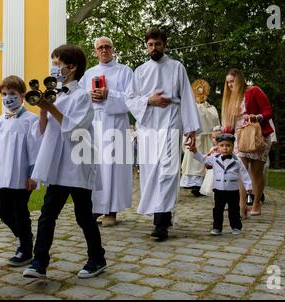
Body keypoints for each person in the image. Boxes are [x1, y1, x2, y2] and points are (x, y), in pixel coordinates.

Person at [23, 44, 107, 279]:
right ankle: (39, 262)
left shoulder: (82, 96)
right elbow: (41, 132)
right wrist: (42, 110)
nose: (54, 68)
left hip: (77, 164)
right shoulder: (56, 95)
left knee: (83, 215)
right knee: (47, 214)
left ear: (72, 67)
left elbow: (75, 129)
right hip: (57, 166)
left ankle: (97, 257)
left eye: (57, 64)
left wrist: (49, 107)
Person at [125, 27, 202, 241]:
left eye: (157, 44)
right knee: (150, 171)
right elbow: (130, 99)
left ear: (164, 45)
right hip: (148, 126)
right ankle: (163, 213)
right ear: (146, 46)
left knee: (168, 170)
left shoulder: (176, 67)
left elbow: (187, 97)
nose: (154, 48)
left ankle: (160, 223)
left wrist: (191, 129)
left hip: (170, 122)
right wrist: (149, 100)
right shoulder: (140, 71)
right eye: (150, 44)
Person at [0, 75, 41, 267]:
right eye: (4, 94)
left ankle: (25, 248)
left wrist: (32, 174)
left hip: (23, 176)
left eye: (12, 93)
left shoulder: (31, 120)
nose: (8, 97)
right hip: (4, 173)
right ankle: (25, 236)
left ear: (22, 95)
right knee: (3, 211)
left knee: (20, 211)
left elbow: (35, 148)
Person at [79, 36, 133, 227]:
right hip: (95, 122)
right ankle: (95, 208)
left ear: (113, 49)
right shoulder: (88, 74)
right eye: (100, 48)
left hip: (115, 122)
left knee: (113, 167)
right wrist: (90, 96)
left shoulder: (125, 71)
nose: (104, 50)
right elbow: (79, 97)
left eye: (107, 47)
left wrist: (108, 94)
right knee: (95, 166)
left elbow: (131, 98)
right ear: (95, 52)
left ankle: (111, 210)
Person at [221, 68, 273, 218]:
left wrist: (256, 117)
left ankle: (256, 203)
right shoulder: (230, 99)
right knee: (240, 171)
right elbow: (230, 124)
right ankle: (241, 205)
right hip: (239, 137)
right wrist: (223, 136)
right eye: (228, 82)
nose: (230, 85)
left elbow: (268, 111)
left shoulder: (254, 91)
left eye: (233, 81)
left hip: (257, 135)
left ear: (240, 80)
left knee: (256, 173)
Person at [189, 134, 252, 236]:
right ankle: (217, 227)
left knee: (234, 210)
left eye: (228, 145)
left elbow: (244, 173)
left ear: (233, 146)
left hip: (233, 190)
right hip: (219, 189)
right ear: (217, 146)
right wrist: (194, 151)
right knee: (218, 210)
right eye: (222, 145)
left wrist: (248, 186)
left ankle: (236, 226)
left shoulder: (237, 160)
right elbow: (203, 159)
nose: (225, 148)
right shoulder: (214, 158)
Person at [180, 80, 220, 197]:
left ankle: (205, 184)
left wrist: (203, 109)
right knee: (193, 162)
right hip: (195, 138)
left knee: (206, 160)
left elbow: (214, 121)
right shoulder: (191, 107)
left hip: (207, 139)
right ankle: (194, 184)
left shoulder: (210, 108)